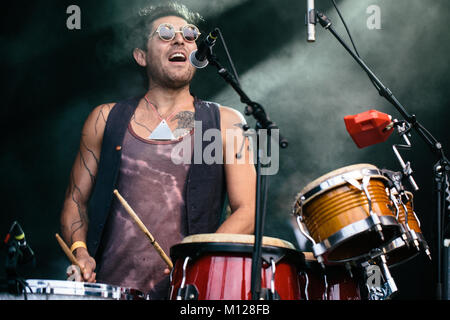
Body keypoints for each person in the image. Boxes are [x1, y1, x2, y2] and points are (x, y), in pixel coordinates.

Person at [59, 2, 256, 299]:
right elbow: (75, 200)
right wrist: (80, 251)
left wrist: (198, 261)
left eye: (189, 34)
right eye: (165, 34)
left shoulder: (226, 123)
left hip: (190, 296)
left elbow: (249, 209)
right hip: (108, 291)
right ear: (141, 56)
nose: (180, 40)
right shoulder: (104, 119)